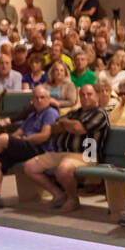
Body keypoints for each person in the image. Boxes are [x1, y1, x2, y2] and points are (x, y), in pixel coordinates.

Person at [20, 84, 110, 215]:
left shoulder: (100, 113)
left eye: (89, 94)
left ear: (97, 96)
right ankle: (58, 194)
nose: (85, 97)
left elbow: (78, 128)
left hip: (86, 155)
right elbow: (55, 127)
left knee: (63, 170)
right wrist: (68, 124)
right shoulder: (75, 112)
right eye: (82, 94)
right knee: (30, 167)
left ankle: (73, 199)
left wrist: (66, 123)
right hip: (62, 152)